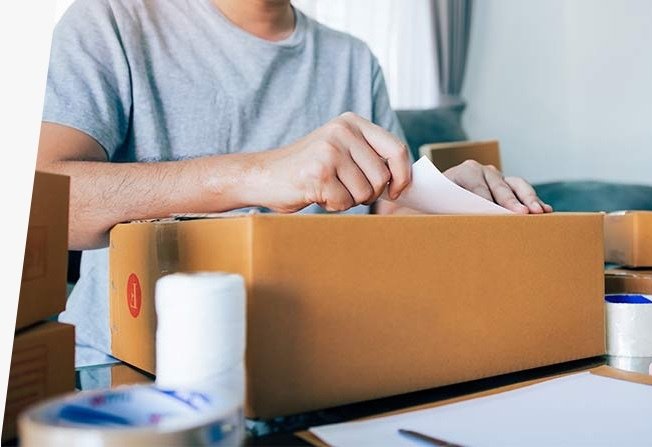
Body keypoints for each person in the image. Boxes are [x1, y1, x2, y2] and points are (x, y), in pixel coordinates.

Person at [37, 0, 553, 365]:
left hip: (315, 363)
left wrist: (448, 195)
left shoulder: (353, 59)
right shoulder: (109, 21)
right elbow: (47, 207)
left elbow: (388, 213)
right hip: (125, 367)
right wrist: (258, 173)